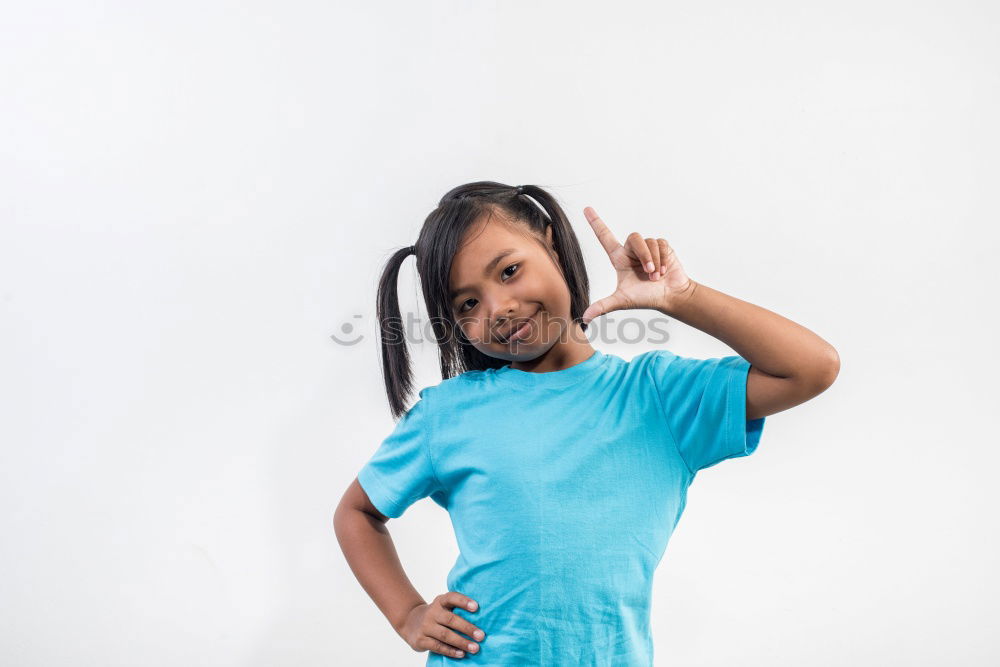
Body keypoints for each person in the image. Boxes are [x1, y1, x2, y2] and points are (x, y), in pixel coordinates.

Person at [333, 181, 840, 665]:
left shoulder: (657, 398)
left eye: (509, 271)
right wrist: (408, 613)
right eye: (468, 303)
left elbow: (811, 368)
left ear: (551, 245)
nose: (500, 307)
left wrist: (681, 297)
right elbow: (357, 512)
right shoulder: (448, 414)